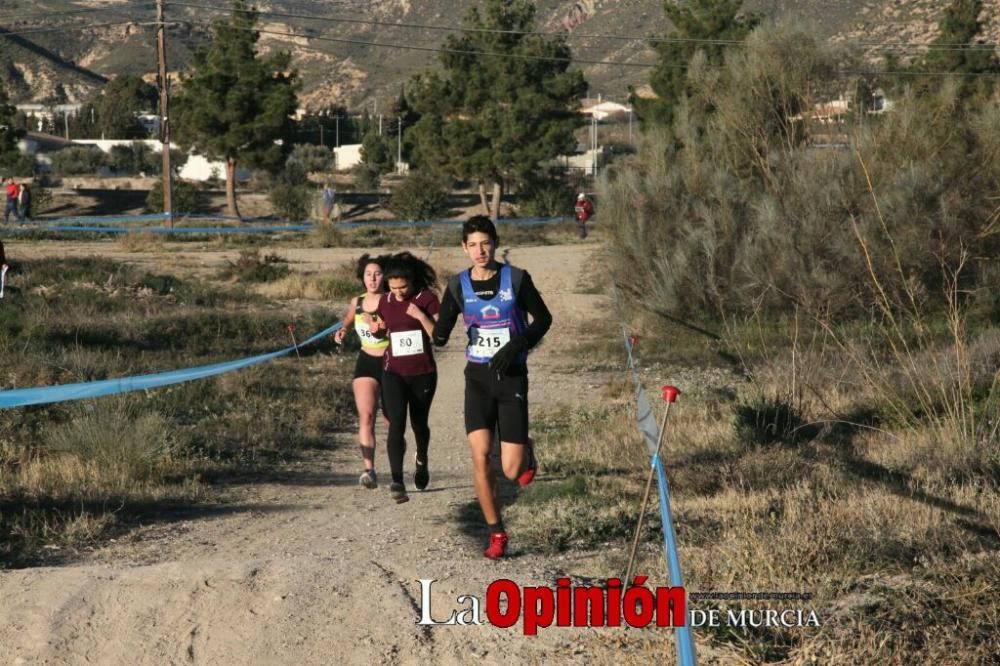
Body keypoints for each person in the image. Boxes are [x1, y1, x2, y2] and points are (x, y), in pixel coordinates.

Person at [433, 215, 553, 559]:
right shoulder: (457, 285)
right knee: (480, 455)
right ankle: (496, 532)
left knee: (513, 470)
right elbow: (440, 334)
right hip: (478, 378)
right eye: (472, 245)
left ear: (495, 243)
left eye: (485, 243)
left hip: (512, 376)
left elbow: (544, 319)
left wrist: (516, 345)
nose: (479, 250)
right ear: (464, 248)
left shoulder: (515, 279)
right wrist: (432, 325)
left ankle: (526, 449)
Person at [369, 252, 440, 504]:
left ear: (413, 281)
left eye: (403, 287)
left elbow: (438, 337)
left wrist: (421, 316)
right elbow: (383, 330)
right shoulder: (385, 301)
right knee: (396, 424)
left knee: (419, 424)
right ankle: (397, 481)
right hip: (393, 372)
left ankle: (421, 459)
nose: (398, 292)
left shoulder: (427, 299)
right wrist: (378, 330)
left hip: (423, 373)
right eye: (393, 286)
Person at [333, 253, 391, 488]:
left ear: (385, 277)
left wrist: (378, 329)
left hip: (391, 361)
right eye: (368, 274)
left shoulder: (391, 301)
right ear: (362, 277)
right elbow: (348, 318)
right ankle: (369, 470)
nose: (373, 279)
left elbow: (396, 330)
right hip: (366, 360)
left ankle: (399, 467)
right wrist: (343, 330)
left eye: (377, 274)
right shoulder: (357, 302)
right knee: (366, 416)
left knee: (392, 422)